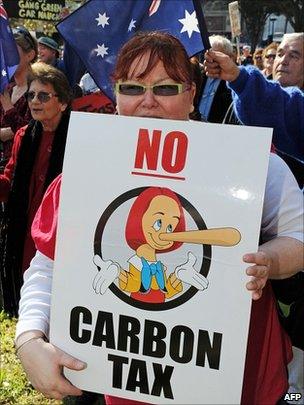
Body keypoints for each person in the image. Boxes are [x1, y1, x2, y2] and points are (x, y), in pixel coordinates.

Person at [15, 32, 304, 405]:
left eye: (165, 88)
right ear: (116, 95)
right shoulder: (85, 173)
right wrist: (28, 340)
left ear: (191, 94)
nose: (147, 102)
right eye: (132, 87)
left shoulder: (250, 165)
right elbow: (48, 265)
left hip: (239, 382)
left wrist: (269, 262)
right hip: (114, 382)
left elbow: (297, 236)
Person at [0, 62, 72, 316]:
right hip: (24, 231)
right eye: (31, 95)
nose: (34, 101)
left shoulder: (79, 137)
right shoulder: (23, 135)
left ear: (62, 102)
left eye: (43, 95)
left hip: (59, 236)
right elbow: (8, 183)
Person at [203, 41, 304, 188]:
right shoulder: (244, 95)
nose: (283, 60)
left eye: (294, 56)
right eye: (279, 54)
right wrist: (239, 78)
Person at [0, 27, 37, 171]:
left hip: (23, 167)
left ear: (30, 55)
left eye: (12, 52)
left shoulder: (38, 90)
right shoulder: (7, 88)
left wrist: (9, 107)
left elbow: (32, 131)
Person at [198, 35, 238, 124]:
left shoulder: (235, 83)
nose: (210, 60)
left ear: (230, 58)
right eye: (208, 55)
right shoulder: (197, 76)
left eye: (216, 56)